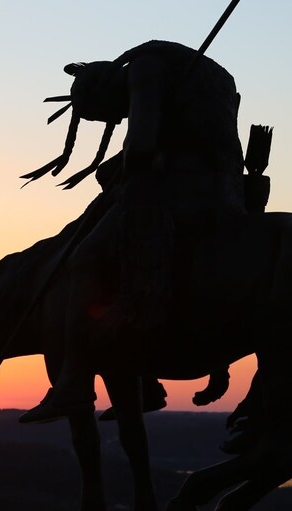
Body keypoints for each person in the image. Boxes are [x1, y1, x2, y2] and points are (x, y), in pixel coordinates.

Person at [19, 40, 245, 423]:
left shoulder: (145, 68)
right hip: (225, 187)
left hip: (179, 188)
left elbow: (140, 145)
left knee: (86, 259)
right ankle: (147, 378)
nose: (115, 118)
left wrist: (117, 174)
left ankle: (74, 382)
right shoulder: (195, 72)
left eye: (104, 115)